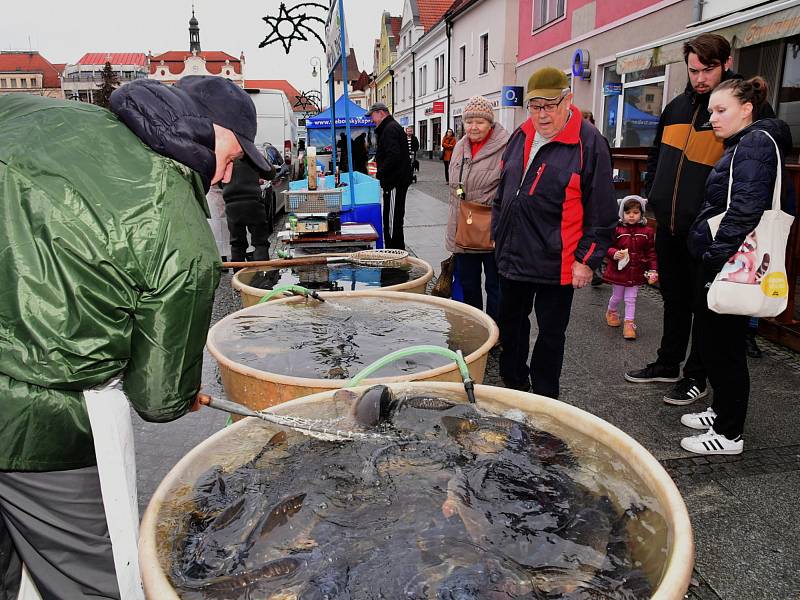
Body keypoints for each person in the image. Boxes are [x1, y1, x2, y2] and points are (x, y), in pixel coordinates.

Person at [0, 75, 271, 599]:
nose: (226, 175)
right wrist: (181, 392)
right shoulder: (183, 235)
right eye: (233, 156)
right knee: (92, 578)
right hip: (38, 426)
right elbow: (158, 397)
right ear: (207, 129)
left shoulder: (30, 113)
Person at [625, 34, 777, 407]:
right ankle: (667, 363)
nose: (699, 78)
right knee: (674, 301)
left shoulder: (739, 108)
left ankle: (696, 378)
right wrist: (654, 193)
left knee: (707, 310)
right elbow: (658, 153)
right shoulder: (676, 107)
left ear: (726, 63)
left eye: (707, 69)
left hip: (708, 231)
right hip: (669, 224)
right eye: (693, 70)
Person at [680, 77, 792, 455]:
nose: (712, 117)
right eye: (711, 109)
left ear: (747, 109)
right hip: (728, 258)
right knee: (716, 343)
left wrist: (714, 256)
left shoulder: (754, 143)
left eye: (721, 110)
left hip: (729, 261)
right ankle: (721, 410)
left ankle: (729, 434)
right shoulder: (749, 142)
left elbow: (745, 208)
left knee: (723, 347)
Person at [493, 67, 617, 398]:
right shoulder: (520, 134)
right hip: (514, 252)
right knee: (511, 324)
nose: (542, 115)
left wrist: (587, 260)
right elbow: (504, 188)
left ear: (568, 100)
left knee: (551, 333)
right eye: (535, 107)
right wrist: (498, 231)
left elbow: (603, 209)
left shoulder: (588, 142)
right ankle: (514, 382)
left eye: (550, 106)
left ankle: (547, 397)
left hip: (558, 259)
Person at [445, 96, 509, 322]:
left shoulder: (506, 147)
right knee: (468, 283)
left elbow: (509, 189)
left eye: (479, 122)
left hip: (493, 230)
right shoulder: (460, 147)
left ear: (490, 123)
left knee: (495, 285)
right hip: (465, 228)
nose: (473, 127)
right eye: (469, 121)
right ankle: (476, 327)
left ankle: (495, 329)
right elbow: (454, 190)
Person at [603, 196, 658, 340]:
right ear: (622, 214)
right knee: (617, 296)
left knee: (631, 298)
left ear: (641, 213)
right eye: (628, 213)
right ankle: (611, 311)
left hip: (637, 271)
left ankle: (629, 323)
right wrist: (614, 253)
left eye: (635, 212)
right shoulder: (616, 229)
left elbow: (651, 252)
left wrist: (653, 269)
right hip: (619, 271)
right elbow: (607, 246)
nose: (632, 216)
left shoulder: (647, 231)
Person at [367, 102, 414, 249]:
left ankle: (394, 250)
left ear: (381, 113)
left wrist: (380, 172)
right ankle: (396, 248)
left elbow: (394, 156)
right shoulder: (390, 127)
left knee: (392, 219)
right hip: (395, 181)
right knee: (393, 216)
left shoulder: (389, 129)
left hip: (394, 182)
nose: (371, 120)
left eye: (372, 116)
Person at [223, 158, 274, 263]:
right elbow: (270, 173)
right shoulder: (250, 153)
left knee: (237, 244)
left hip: (232, 204)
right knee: (261, 242)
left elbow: (217, 179)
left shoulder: (224, 155)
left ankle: (237, 276)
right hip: (253, 202)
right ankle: (262, 274)